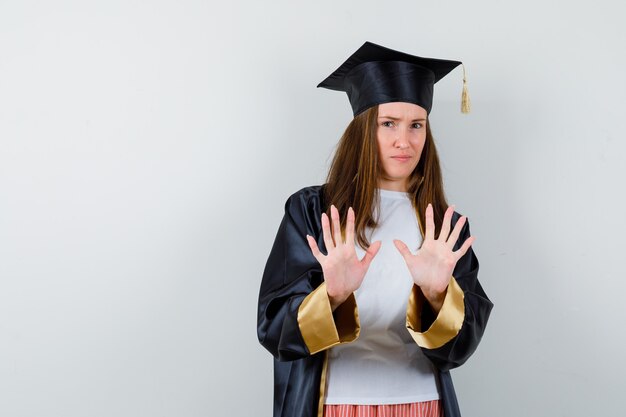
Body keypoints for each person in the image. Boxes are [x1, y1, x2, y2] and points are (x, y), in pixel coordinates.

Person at [257, 41, 493, 417]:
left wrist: (436, 296)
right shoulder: (314, 211)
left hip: (422, 405)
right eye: (388, 124)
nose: (405, 141)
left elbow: (461, 348)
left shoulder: (442, 227)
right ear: (363, 130)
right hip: (331, 406)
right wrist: (331, 296)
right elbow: (272, 329)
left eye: (417, 125)